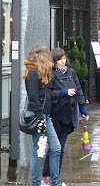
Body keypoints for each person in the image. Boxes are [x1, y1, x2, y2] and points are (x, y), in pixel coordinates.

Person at [43, 48, 90, 183]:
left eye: (63, 58)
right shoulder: (51, 74)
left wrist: (82, 108)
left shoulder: (71, 72)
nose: (62, 62)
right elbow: (49, 94)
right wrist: (64, 92)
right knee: (56, 147)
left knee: (60, 147)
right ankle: (49, 176)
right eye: (59, 59)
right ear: (54, 61)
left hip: (69, 113)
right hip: (56, 114)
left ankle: (53, 176)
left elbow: (79, 90)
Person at [23, 45, 62, 186]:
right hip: (37, 115)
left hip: (43, 115)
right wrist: (40, 117)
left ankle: (55, 182)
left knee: (55, 148)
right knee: (38, 149)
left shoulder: (37, 72)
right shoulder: (32, 73)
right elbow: (33, 97)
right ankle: (36, 183)